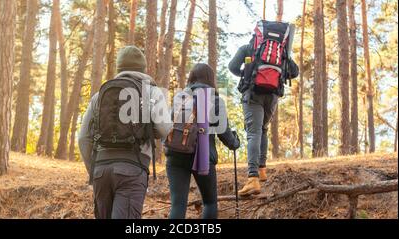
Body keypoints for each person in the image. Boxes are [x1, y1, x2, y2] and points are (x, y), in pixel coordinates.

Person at [78, 46, 171, 219]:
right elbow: (164, 128)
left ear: (119, 68)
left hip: (101, 170)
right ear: (143, 69)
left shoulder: (100, 95)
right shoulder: (151, 92)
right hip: (132, 169)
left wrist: (94, 169)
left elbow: (83, 137)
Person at [165, 63, 240, 219]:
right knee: (210, 203)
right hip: (202, 155)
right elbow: (224, 132)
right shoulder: (215, 99)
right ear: (210, 79)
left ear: (191, 77)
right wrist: (235, 143)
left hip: (175, 154)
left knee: (178, 204)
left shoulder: (181, 96)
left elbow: (169, 125)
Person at [229, 32, 298, 196]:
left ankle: (252, 178)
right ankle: (261, 169)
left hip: (253, 93)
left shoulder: (248, 48)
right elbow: (294, 72)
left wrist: (248, 74)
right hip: (272, 95)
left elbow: (232, 66)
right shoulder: (281, 51)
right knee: (263, 129)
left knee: (254, 132)